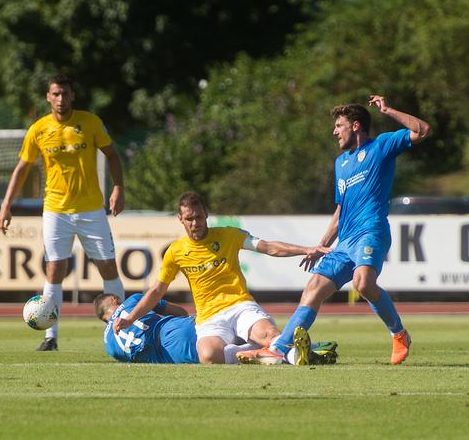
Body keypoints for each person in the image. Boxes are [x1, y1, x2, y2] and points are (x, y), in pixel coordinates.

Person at [266, 96, 431, 365]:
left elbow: (422, 130)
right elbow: (340, 211)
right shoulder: (341, 163)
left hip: (371, 231)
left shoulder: (381, 146)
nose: (334, 131)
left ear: (355, 126)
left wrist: (388, 110)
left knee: (363, 283)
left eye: (338, 125)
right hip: (344, 242)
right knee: (313, 288)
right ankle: (279, 349)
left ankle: (399, 334)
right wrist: (321, 245)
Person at [113, 192, 331, 365]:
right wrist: (131, 318)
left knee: (268, 333)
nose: (195, 223)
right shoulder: (176, 252)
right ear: (180, 219)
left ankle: (284, 354)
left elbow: (267, 247)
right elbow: (157, 291)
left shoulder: (228, 235)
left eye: (198, 217)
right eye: (189, 219)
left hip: (240, 306)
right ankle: (261, 353)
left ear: (206, 214)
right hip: (209, 317)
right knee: (207, 356)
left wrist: (307, 249)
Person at [0, 74, 125, 351]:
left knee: (107, 267)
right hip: (55, 210)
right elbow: (22, 168)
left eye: (65, 94)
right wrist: (6, 204)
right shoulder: (38, 129)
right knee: (55, 269)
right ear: (48, 97)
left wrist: (118, 189)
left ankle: (121, 331)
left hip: (91, 209)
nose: (60, 99)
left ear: (72, 95)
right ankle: (50, 337)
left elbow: (112, 154)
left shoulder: (90, 122)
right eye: (55, 94)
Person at [96, 293, 339, 365]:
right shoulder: (131, 301)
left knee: (223, 353)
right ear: (115, 301)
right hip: (177, 329)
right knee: (237, 328)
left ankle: (266, 354)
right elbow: (176, 310)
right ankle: (296, 349)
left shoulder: (109, 347)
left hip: (176, 356)